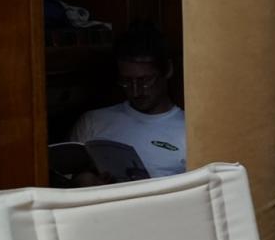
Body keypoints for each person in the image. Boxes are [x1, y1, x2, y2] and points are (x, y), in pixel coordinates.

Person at [67, 22, 186, 180]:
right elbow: (71, 179)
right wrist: (88, 181)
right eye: (127, 81)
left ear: (168, 70)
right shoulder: (93, 122)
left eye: (145, 80)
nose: (136, 91)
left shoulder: (187, 131)